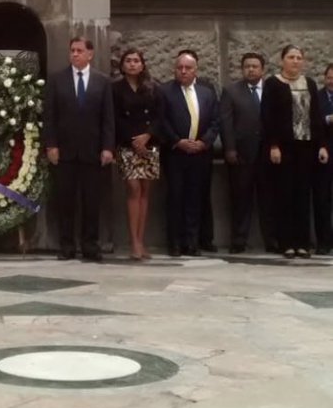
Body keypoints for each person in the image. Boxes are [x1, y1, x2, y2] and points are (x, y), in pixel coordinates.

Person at [43, 35, 115, 263]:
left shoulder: (102, 82)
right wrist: (51, 144)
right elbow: (50, 116)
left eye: (79, 50)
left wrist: (107, 147)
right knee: (65, 201)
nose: (75, 54)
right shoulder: (57, 80)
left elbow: (108, 118)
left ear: (90, 54)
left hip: (93, 152)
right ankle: (66, 246)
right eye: (72, 50)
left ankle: (90, 245)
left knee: (91, 202)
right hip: (65, 152)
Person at [262, 44, 328, 259]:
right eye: (291, 57)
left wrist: (322, 145)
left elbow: (316, 117)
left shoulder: (308, 83)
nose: (295, 61)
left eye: (299, 57)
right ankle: (286, 242)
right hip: (284, 148)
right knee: (285, 195)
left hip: (306, 146)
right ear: (282, 60)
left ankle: (303, 243)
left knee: (303, 195)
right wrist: (273, 145)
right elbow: (267, 117)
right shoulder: (273, 84)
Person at [161, 49, 220, 257]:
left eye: (188, 68)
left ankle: (192, 241)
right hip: (176, 154)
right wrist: (177, 141)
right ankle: (175, 242)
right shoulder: (165, 91)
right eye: (180, 68)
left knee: (196, 198)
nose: (183, 72)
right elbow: (162, 120)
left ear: (196, 70)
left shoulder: (206, 92)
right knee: (176, 197)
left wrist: (204, 142)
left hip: (200, 154)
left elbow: (215, 121)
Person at [219, 52, 275, 254]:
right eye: (247, 66)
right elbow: (225, 122)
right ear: (242, 69)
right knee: (240, 199)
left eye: (255, 66)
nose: (251, 69)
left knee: (269, 200)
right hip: (241, 155)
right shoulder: (231, 91)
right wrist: (230, 148)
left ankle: (272, 240)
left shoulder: (272, 89)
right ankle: (239, 240)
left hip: (268, 155)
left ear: (263, 69)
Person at [112, 48, 163, 262]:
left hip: (149, 146)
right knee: (133, 189)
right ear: (123, 65)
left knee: (144, 192)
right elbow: (113, 118)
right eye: (128, 61)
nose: (132, 64)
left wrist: (148, 136)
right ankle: (133, 241)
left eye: (136, 61)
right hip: (127, 146)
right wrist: (133, 141)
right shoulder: (115, 89)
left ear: (142, 64)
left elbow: (161, 116)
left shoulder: (152, 88)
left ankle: (142, 240)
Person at [313, 62, 333, 255]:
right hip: (323, 153)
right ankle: (323, 241)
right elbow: (313, 121)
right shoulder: (317, 97)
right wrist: (328, 119)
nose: (332, 81)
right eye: (329, 78)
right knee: (322, 200)